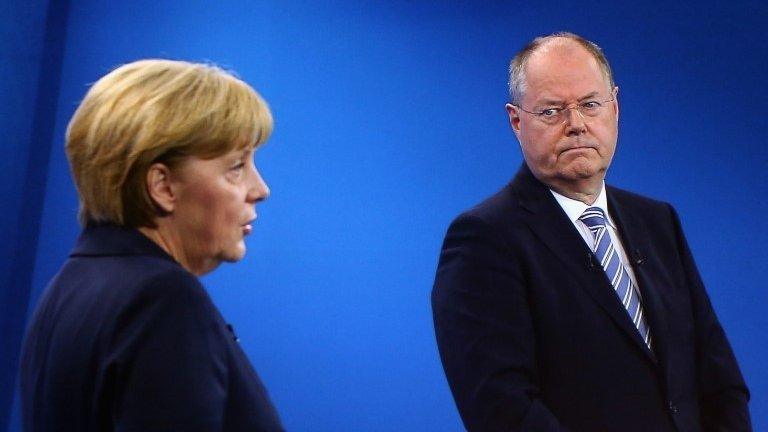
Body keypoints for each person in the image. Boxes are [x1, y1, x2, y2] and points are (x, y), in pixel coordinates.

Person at [431, 33, 751, 431]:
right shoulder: (484, 239)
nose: (576, 125)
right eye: (551, 111)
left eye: (589, 104)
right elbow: (501, 409)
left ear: (614, 108)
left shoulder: (657, 221)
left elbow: (719, 379)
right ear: (516, 120)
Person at [20, 59, 284, 431]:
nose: (260, 190)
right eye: (237, 166)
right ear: (163, 186)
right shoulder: (162, 300)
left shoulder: (68, 287)